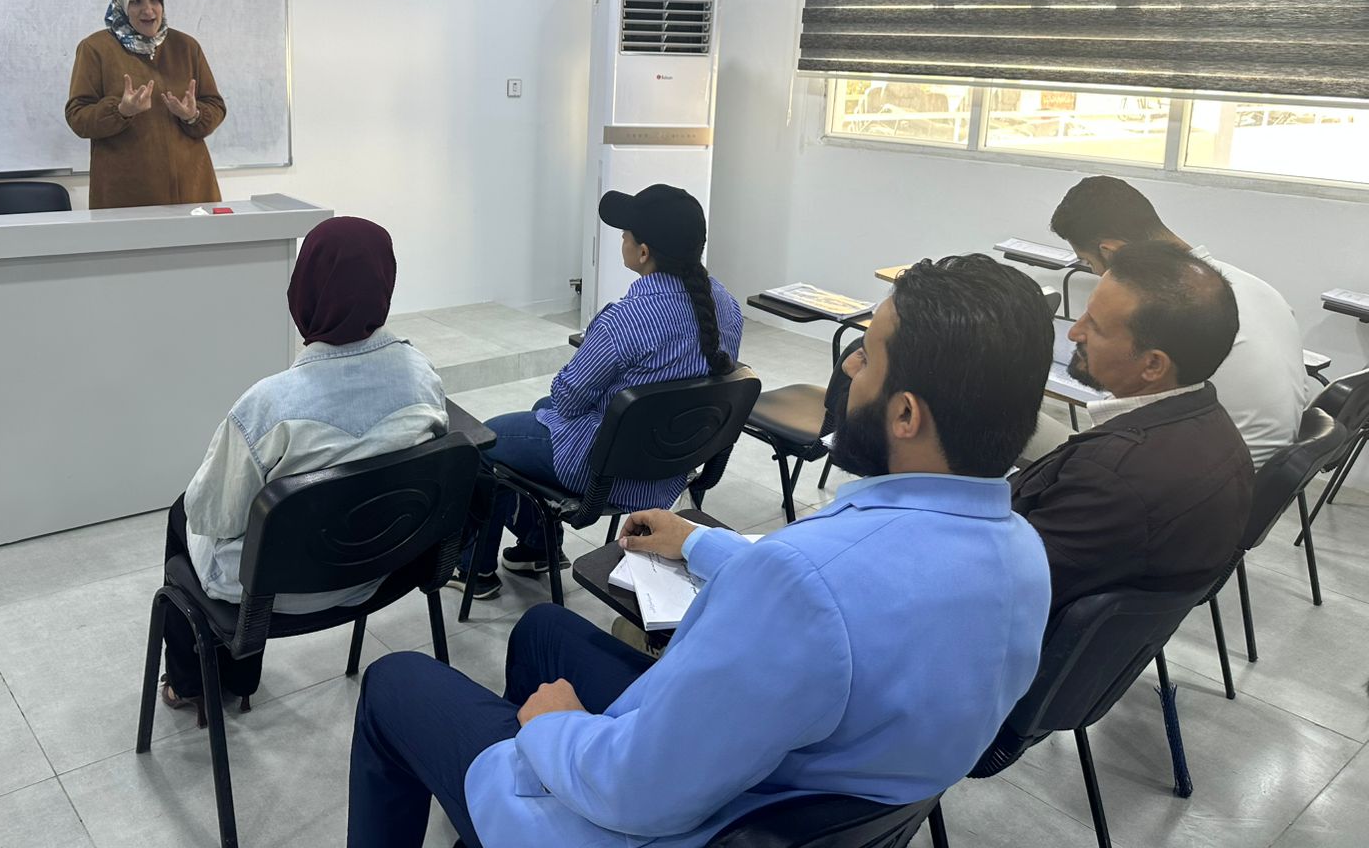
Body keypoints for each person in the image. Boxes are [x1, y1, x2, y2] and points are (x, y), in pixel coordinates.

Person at [348, 255, 1053, 848]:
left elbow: (634, 791)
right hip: (789, 791)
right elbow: (844, 614)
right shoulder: (1022, 556)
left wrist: (554, 727)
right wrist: (700, 543)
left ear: (905, 414)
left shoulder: (806, 583)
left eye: (868, 353)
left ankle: (514, 799)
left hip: (654, 821)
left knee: (396, 682)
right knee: (543, 632)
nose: (850, 363)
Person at [157, 217, 446, 714]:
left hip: (278, 594)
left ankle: (198, 681)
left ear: (304, 290)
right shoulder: (422, 378)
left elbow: (211, 515)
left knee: (182, 513)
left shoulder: (268, 407)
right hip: (383, 570)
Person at [453, 184, 743, 600]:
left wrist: (590, 349)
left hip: (605, 475)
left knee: (482, 442)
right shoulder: (727, 308)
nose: (620, 237)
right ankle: (536, 548)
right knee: (540, 410)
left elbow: (568, 397)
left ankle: (474, 569)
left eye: (625, 233)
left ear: (643, 252)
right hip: (667, 471)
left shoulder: (624, 320)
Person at [1010, 240, 1254, 610]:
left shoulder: (1110, 478)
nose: (1074, 333)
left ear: (1153, 365)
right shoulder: (1220, 434)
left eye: (1096, 326)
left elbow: (1003, 586)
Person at [1050, 175, 1306, 464]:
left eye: (1088, 262)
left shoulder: (1176, 312)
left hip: (1192, 473)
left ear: (1111, 252)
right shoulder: (1252, 287)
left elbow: (1123, 420)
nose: (1096, 274)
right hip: (1255, 467)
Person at [66, 0, 226, 209]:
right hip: (126, 199)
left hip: (193, 194)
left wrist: (193, 115)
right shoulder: (95, 49)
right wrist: (120, 111)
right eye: (136, 2)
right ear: (121, 4)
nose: (148, 10)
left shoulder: (186, 47)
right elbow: (78, 117)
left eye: (155, 0)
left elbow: (215, 106)